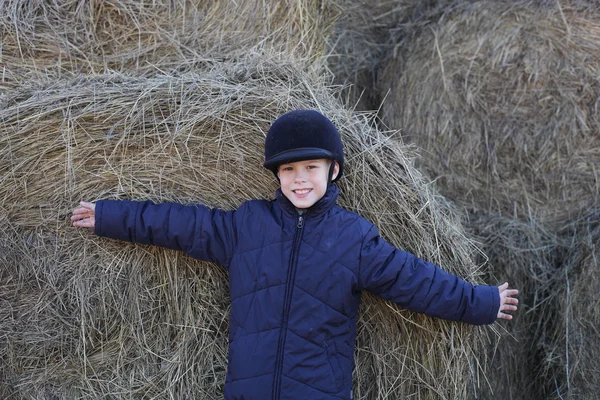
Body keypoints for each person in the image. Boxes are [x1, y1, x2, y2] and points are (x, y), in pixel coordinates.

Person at [72, 109, 518, 400]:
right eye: (289, 169)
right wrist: (110, 216)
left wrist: (481, 302)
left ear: (333, 169)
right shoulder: (246, 226)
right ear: (277, 175)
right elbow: (177, 224)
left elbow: (416, 282)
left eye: (311, 167)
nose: (299, 179)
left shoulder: (354, 239)